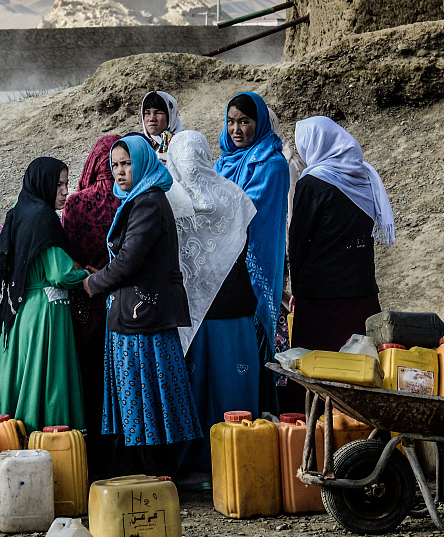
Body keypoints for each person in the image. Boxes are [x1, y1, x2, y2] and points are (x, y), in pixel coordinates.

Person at [84, 135, 201, 477]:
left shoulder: (147, 202)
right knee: (145, 399)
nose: (120, 172)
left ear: (143, 163)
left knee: (145, 398)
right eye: (115, 165)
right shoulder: (138, 199)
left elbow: (129, 261)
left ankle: (157, 475)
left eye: (127, 164)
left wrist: (93, 283)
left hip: (142, 320)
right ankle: (149, 474)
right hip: (137, 314)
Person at [165, 131, 257, 481]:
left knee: (195, 388)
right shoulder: (233, 196)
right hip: (233, 309)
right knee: (233, 386)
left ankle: (195, 466)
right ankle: (241, 458)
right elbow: (245, 249)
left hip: (193, 312)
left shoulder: (170, 199)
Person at [0, 158, 88, 433]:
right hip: (46, 313)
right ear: (43, 184)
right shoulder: (44, 218)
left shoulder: (18, 212)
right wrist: (89, 276)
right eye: (59, 184)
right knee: (48, 382)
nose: (66, 191)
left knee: (23, 378)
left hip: (21, 314)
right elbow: (60, 274)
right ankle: (51, 447)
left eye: (67, 183)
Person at [288, 116, 391, 352]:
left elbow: (298, 242)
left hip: (321, 297)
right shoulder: (364, 178)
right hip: (362, 291)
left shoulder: (312, 183)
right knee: (361, 366)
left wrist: (298, 289)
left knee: (319, 367)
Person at [215, 92, 290, 411]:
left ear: (258, 123)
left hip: (254, 267)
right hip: (224, 275)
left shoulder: (273, 164)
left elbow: (249, 214)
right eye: (231, 121)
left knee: (256, 345)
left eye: (244, 121)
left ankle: (263, 415)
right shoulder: (221, 162)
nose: (236, 128)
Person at [60, 134, 121, 476]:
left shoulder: (75, 203)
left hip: (85, 301)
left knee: (90, 379)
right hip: (124, 305)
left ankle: (91, 459)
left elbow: (69, 255)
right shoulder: (132, 197)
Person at [140, 91, 184, 160]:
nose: (151, 118)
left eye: (158, 113)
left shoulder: (182, 144)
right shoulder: (140, 145)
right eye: (147, 113)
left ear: (170, 116)